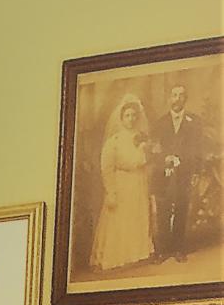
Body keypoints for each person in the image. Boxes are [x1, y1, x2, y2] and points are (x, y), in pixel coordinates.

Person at [89, 96, 154, 272]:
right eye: (127, 115)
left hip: (138, 184)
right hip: (122, 184)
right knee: (119, 220)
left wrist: (145, 151)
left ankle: (135, 255)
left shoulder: (141, 138)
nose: (131, 119)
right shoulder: (114, 141)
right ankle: (114, 257)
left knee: (136, 217)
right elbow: (107, 167)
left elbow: (146, 162)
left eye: (134, 115)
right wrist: (111, 191)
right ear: (121, 118)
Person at [153, 82, 208, 262]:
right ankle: (162, 250)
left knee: (182, 208)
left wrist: (196, 173)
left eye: (181, 95)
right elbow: (154, 149)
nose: (177, 99)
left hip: (185, 172)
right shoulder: (160, 122)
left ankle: (178, 248)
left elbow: (199, 149)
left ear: (186, 99)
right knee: (163, 210)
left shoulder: (195, 121)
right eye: (174, 95)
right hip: (164, 173)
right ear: (169, 99)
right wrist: (164, 159)